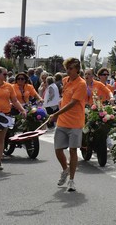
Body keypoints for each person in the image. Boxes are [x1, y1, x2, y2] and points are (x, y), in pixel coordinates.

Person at [47, 57, 87, 192]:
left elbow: (73, 103)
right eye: (67, 68)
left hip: (75, 122)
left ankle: (71, 180)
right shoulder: (65, 81)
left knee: (73, 150)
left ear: (77, 69)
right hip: (63, 122)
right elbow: (64, 99)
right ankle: (65, 170)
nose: (68, 71)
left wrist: (56, 113)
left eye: (70, 69)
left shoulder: (81, 84)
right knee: (58, 149)